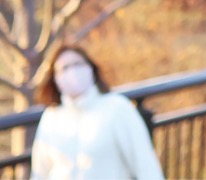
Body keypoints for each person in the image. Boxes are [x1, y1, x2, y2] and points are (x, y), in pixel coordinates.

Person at [30, 44, 165, 180]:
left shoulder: (116, 107)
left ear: (91, 69)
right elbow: (40, 172)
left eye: (78, 64)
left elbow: (145, 165)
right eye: (64, 68)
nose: (72, 72)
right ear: (55, 78)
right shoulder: (51, 116)